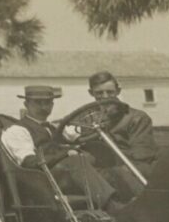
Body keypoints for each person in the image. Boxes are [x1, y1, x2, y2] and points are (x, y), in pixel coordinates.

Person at [0, 85, 118, 210]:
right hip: (40, 181)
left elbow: (78, 133)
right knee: (75, 161)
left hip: (61, 176)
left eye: (48, 103)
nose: (44, 107)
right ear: (26, 104)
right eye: (38, 103)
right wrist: (65, 154)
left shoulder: (54, 128)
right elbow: (29, 163)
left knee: (99, 154)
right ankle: (110, 205)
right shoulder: (17, 131)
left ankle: (124, 197)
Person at [61, 71, 159, 200]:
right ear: (91, 93)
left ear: (118, 91)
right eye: (99, 93)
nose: (105, 97)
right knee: (72, 164)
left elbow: (142, 156)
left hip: (131, 170)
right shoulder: (86, 119)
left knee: (119, 173)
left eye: (110, 92)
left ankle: (112, 204)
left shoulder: (137, 118)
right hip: (99, 172)